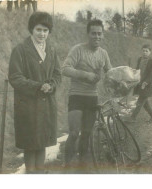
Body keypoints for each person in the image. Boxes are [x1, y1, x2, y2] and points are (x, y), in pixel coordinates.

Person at [8, 12, 61, 174]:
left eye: (45, 30)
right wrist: (38, 86)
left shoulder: (51, 50)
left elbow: (57, 74)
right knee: (30, 144)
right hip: (28, 106)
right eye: (38, 29)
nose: (42, 34)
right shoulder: (20, 50)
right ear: (32, 29)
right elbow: (15, 77)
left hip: (46, 105)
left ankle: (39, 175)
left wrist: (51, 85)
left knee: (42, 142)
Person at [62, 19, 112, 170]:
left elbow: (110, 73)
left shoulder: (103, 54)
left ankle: (82, 166)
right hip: (76, 96)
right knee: (74, 133)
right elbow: (65, 69)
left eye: (99, 34)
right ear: (88, 34)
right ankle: (67, 165)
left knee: (87, 133)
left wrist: (121, 80)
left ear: (102, 35)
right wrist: (85, 75)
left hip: (92, 97)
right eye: (93, 34)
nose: (96, 37)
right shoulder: (78, 50)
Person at [128, 44, 152, 123]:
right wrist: (133, 73)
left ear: (150, 52)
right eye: (143, 51)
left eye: (146, 51)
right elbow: (138, 70)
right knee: (144, 101)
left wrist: (146, 82)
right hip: (140, 83)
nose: (144, 52)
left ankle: (133, 118)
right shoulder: (140, 59)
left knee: (140, 102)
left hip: (147, 85)